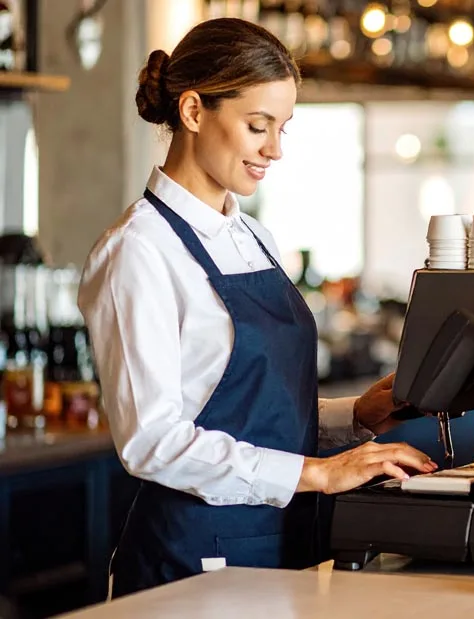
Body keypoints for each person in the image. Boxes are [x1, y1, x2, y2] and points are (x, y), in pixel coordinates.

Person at [77, 18, 438, 598]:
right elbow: (153, 440)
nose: (274, 149)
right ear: (193, 112)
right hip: (195, 562)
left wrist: (358, 416)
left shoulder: (256, 238)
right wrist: (317, 473)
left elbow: (253, 412)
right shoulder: (137, 252)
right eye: (257, 126)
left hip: (288, 539)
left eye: (282, 128)